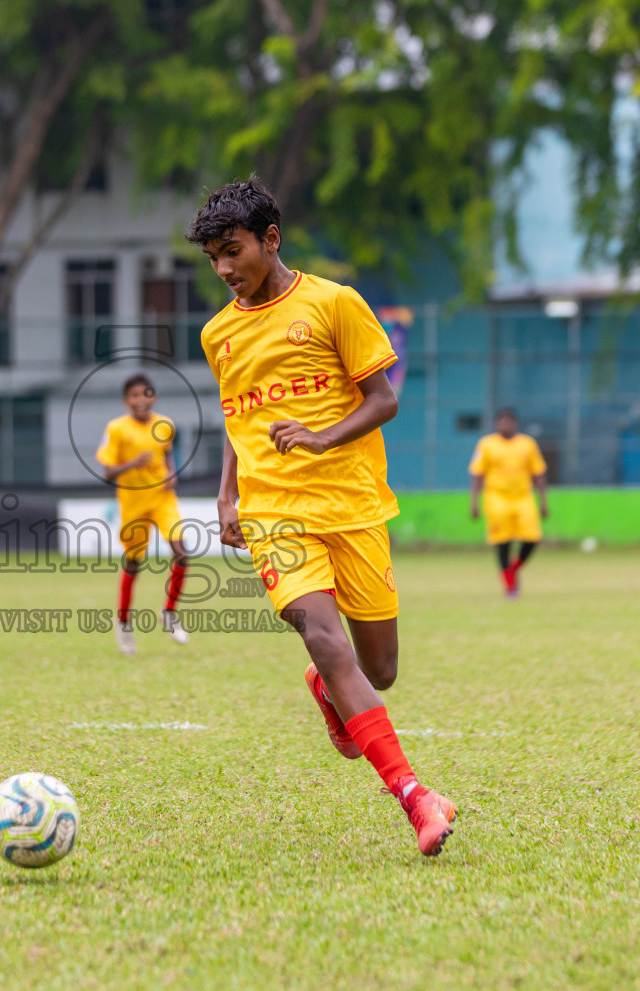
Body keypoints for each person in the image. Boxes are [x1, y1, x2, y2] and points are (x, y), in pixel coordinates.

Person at [189, 177, 457, 857]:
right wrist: (228, 495)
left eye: (233, 251)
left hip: (354, 505)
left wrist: (322, 437)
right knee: (326, 642)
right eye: (214, 258)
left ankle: (327, 688)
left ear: (270, 240)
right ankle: (415, 797)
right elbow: (236, 412)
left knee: (381, 668)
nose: (224, 269)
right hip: (274, 512)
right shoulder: (218, 333)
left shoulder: (335, 304)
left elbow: (383, 400)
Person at [96, 373, 190, 655]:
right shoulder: (116, 429)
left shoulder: (165, 425)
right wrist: (132, 463)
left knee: (182, 553)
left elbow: (166, 455)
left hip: (162, 499)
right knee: (134, 564)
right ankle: (123, 623)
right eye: (134, 395)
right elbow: (108, 471)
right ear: (127, 400)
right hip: (133, 503)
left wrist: (171, 473)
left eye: (145, 394)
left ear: (154, 397)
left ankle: (169, 612)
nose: (141, 400)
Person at [469, 407, 548, 600]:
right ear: (497, 424)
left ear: (515, 423)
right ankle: (511, 587)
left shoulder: (527, 444)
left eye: (509, 421)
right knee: (502, 543)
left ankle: (511, 570)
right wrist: (474, 502)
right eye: (502, 421)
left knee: (532, 539)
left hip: (523, 498)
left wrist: (544, 502)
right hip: (497, 498)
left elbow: (538, 473)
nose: (506, 424)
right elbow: (477, 475)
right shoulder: (486, 444)